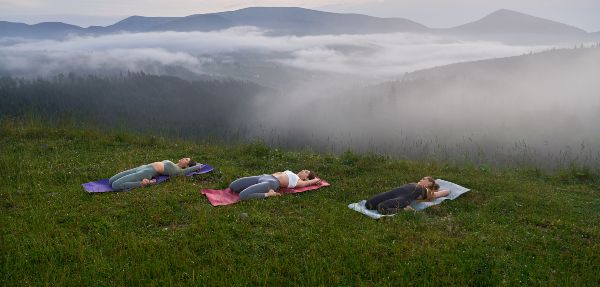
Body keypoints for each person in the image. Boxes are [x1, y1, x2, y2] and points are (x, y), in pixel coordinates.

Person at [365, 176, 449, 215]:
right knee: (369, 204)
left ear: (429, 183)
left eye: (424, 179)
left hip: (403, 198)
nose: (421, 179)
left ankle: (405, 210)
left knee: (381, 207)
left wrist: (435, 189)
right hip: (394, 192)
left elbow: (446, 192)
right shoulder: (414, 183)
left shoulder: (426, 191)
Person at [109, 157, 201, 191]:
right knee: (110, 180)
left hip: (145, 173)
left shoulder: (177, 170)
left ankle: (142, 184)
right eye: (186, 157)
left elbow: (188, 171)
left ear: (187, 166)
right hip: (141, 167)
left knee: (115, 185)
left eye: (187, 160)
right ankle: (143, 182)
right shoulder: (173, 163)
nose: (184, 158)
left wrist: (198, 166)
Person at [229, 170, 321, 200]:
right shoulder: (292, 173)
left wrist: (315, 180)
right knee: (233, 186)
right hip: (264, 176)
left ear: (306, 178)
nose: (303, 170)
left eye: (306, 172)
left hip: (271, 184)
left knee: (242, 195)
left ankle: (269, 194)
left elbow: (307, 183)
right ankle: (251, 188)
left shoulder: (299, 181)